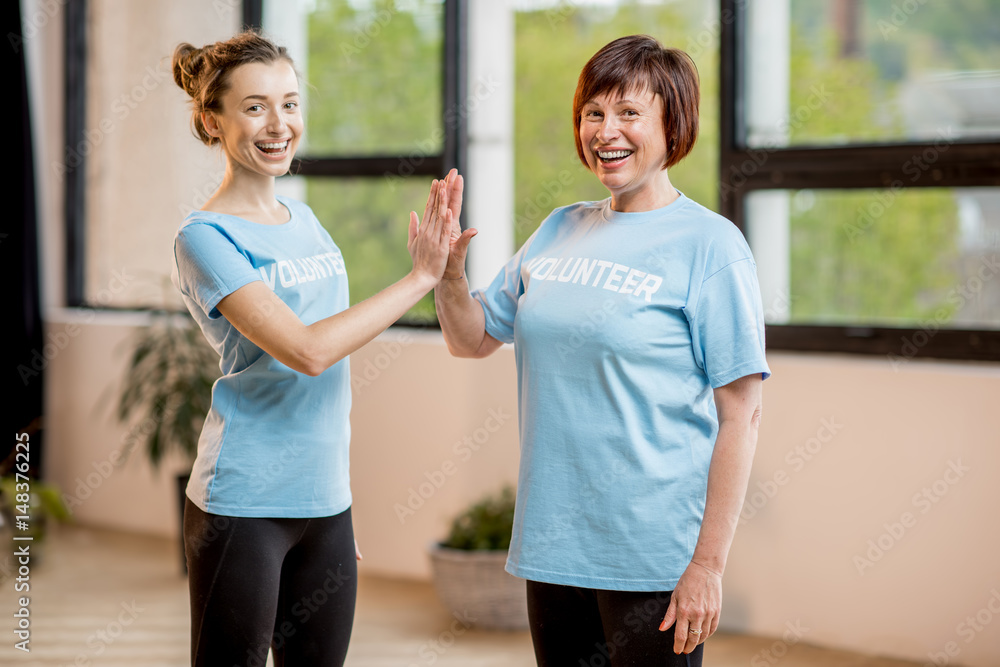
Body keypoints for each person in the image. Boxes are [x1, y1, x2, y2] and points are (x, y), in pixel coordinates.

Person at [434, 34, 770, 666]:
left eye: (628, 112)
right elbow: (471, 337)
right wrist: (448, 274)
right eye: (593, 112)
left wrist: (707, 565)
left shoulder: (710, 246)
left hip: (652, 556)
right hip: (553, 546)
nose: (605, 130)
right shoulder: (559, 228)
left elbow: (742, 417)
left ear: (674, 123)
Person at [170, 31, 453, 666]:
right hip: (244, 502)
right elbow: (308, 352)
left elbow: (330, 381)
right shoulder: (206, 238)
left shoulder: (307, 220)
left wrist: (330, 498)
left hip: (324, 503)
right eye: (254, 106)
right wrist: (419, 280)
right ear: (213, 121)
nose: (279, 124)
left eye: (290, 103)